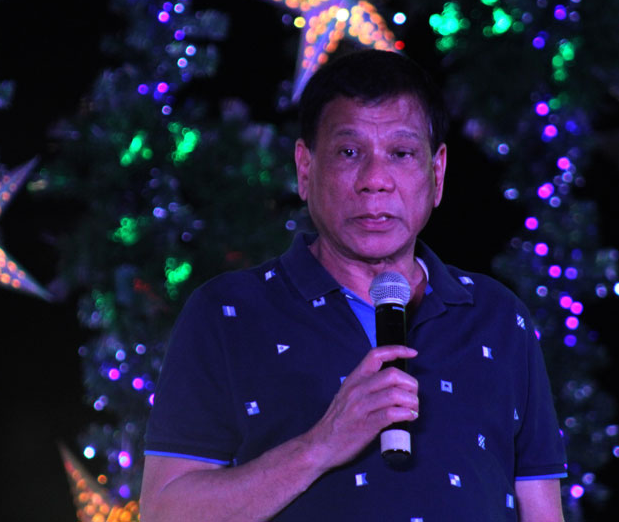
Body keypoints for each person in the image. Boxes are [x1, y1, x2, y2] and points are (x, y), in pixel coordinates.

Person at [140, 50, 567, 521]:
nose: (375, 181)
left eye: (401, 154)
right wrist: (320, 446)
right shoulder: (227, 313)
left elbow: (542, 511)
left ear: (437, 173)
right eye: (349, 152)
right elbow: (165, 512)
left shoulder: (498, 317)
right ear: (306, 169)